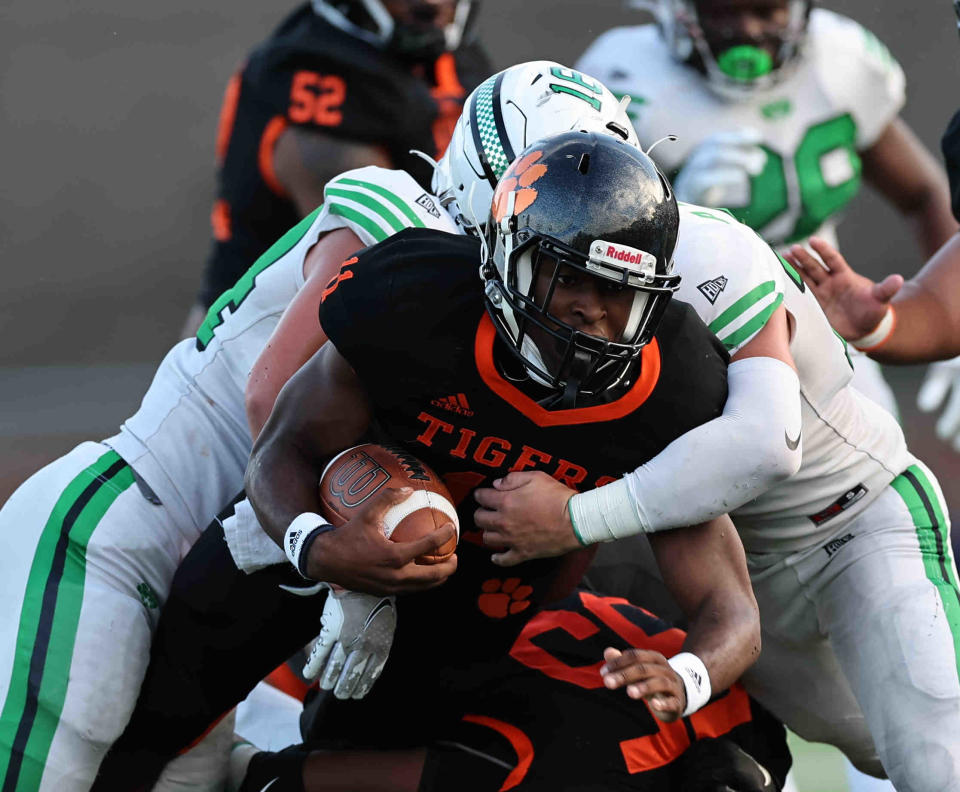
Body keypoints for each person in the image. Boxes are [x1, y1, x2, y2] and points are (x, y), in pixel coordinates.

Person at [75, 62, 653, 792]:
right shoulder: (406, 224)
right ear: (492, 178)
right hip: (166, 512)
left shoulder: (528, 310)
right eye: (562, 196)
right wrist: (356, 576)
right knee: (72, 759)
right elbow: (272, 406)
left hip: (250, 553)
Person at [243, 132, 761, 750]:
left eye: (617, 289)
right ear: (511, 258)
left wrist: (688, 675)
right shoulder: (419, 298)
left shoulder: (673, 385)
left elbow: (732, 611)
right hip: (309, 532)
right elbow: (282, 449)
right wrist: (322, 552)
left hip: (477, 612)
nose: (591, 310)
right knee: (181, 684)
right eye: (569, 277)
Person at [576, 0, 957, 417]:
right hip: (678, 325)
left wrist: (944, 317)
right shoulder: (623, 76)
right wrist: (677, 214)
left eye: (767, 10)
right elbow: (585, 239)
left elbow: (922, 193)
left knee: (879, 448)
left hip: (821, 311)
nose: (749, 30)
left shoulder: (842, 59)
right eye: (723, 11)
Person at [234, 589, 790, 792]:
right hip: (363, 653)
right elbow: (283, 777)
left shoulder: (755, 731)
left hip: (530, 594)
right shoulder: (551, 767)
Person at [181, 0, 491, 335]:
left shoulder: (449, 53)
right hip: (255, 345)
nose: (431, 2)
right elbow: (384, 270)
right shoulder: (311, 71)